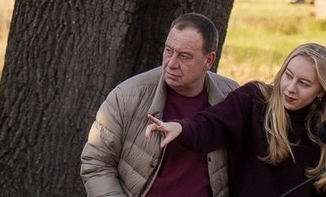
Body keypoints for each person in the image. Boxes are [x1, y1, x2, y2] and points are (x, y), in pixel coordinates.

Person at [146, 41, 326, 197]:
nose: (290, 88)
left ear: (321, 91)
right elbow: (213, 123)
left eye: (304, 84)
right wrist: (181, 128)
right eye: (288, 76)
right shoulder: (254, 99)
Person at [82, 13, 239, 197]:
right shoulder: (127, 96)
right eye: (168, 51)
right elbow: (96, 164)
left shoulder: (230, 97)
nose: (171, 63)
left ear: (209, 61)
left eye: (184, 56)